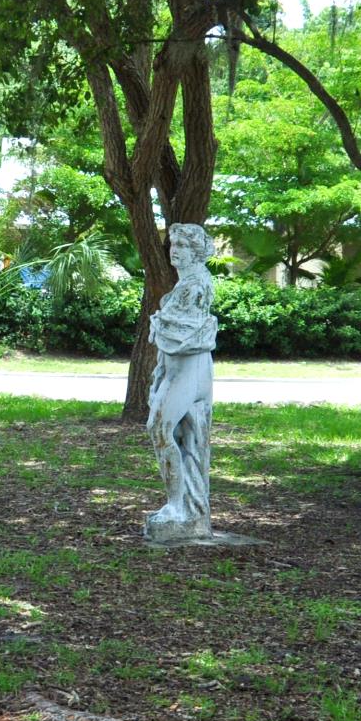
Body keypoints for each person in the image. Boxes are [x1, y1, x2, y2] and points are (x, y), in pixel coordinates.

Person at [145, 223, 218, 541]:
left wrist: (160, 324)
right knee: (177, 434)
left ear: (197, 251)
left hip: (189, 370)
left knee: (160, 429)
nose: (174, 250)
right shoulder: (185, 283)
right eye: (172, 244)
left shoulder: (196, 285)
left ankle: (178, 507)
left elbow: (183, 336)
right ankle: (185, 506)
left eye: (182, 246)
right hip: (177, 369)